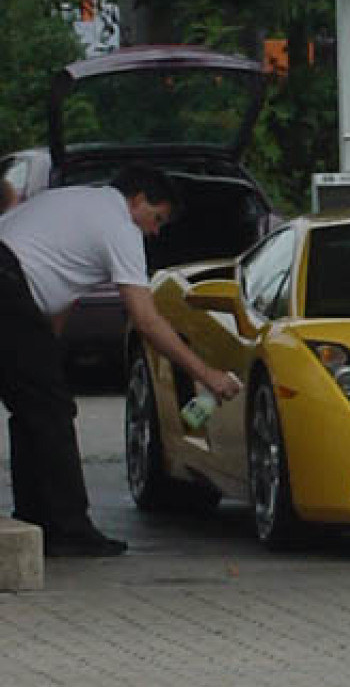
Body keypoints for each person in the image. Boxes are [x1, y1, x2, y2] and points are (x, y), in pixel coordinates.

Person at [0, 162, 239, 558]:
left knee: (35, 410)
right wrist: (207, 375)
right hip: (8, 288)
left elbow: (57, 285)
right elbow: (145, 319)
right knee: (50, 412)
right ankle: (67, 529)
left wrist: (47, 350)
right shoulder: (120, 226)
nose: (155, 231)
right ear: (140, 200)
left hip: (11, 282)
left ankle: (36, 519)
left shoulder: (75, 200)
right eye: (157, 218)